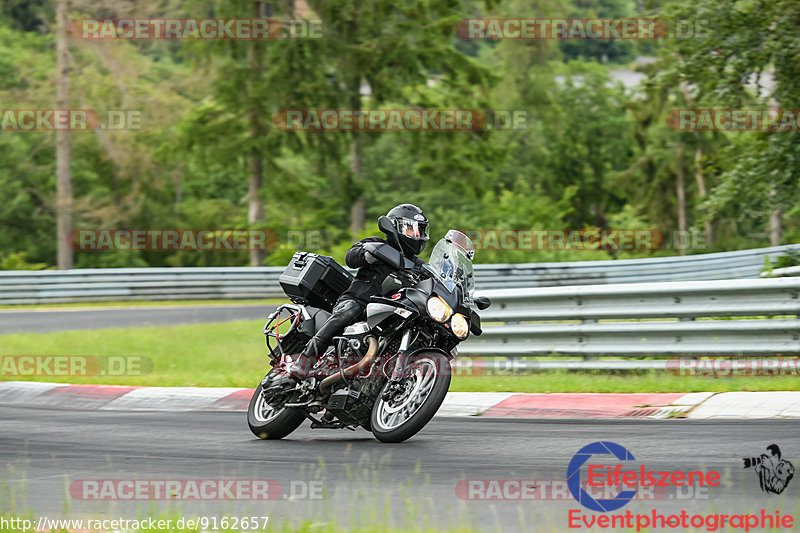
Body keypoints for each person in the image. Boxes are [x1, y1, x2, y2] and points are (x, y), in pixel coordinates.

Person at [283, 204, 429, 380]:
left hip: (388, 311)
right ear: (395, 227)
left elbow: (431, 280)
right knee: (349, 311)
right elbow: (350, 256)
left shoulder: (419, 266)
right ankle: (304, 361)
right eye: (412, 229)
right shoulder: (377, 243)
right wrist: (366, 254)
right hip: (359, 300)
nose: (417, 235)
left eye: (420, 231)